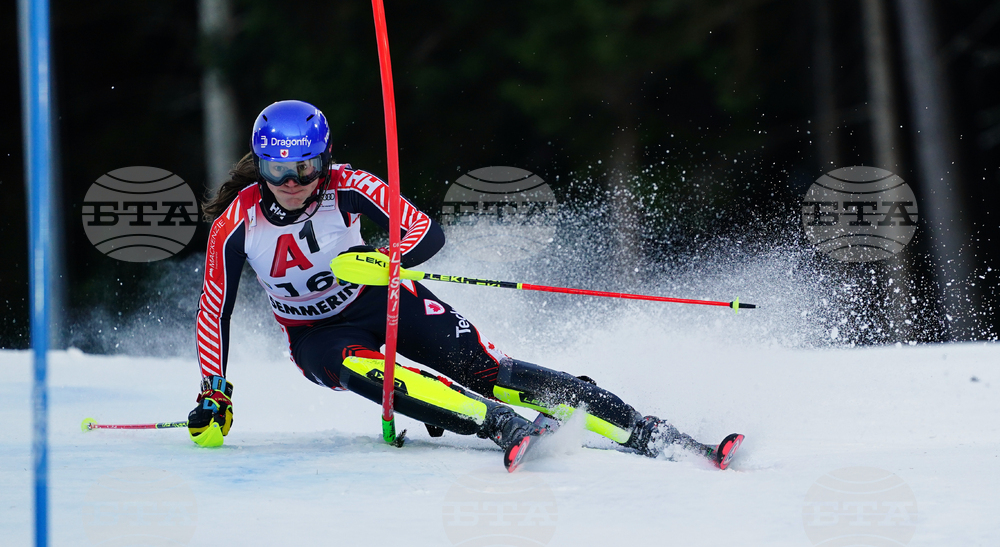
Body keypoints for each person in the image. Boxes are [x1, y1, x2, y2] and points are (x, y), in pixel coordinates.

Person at [189, 99, 741, 471]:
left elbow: (426, 232)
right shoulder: (235, 224)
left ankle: (645, 430)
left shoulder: (350, 185)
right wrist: (214, 392)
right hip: (317, 336)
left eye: (305, 169)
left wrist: (384, 256)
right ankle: (501, 426)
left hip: (383, 298)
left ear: (324, 159)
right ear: (260, 165)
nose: (291, 184)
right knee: (371, 371)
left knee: (489, 370)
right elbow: (215, 310)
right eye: (277, 170)